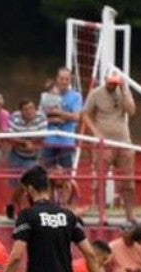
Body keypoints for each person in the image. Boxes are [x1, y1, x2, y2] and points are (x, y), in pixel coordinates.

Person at [83, 72, 138, 223]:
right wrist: (96, 133)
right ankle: (102, 214)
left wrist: (125, 89)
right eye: (111, 82)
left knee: (128, 181)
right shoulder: (95, 94)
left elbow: (131, 111)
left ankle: (130, 214)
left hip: (123, 141)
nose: (113, 85)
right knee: (101, 180)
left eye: (116, 83)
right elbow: (86, 114)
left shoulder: (123, 92)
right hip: (103, 143)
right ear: (106, 80)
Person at [40, 67, 83, 206]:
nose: (64, 81)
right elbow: (41, 116)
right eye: (62, 78)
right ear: (57, 79)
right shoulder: (47, 95)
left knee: (66, 176)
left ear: (70, 80)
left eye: (67, 79)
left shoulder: (76, 96)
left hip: (66, 140)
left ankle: (64, 205)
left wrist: (59, 114)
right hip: (49, 140)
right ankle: (51, 204)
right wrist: (61, 117)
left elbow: (76, 117)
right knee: (49, 175)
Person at [8, 98, 48, 214]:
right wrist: (24, 143)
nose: (29, 111)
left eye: (31, 108)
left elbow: (43, 136)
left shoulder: (41, 117)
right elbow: (10, 136)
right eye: (25, 109)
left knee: (30, 182)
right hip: (17, 154)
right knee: (17, 184)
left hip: (33, 155)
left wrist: (32, 144)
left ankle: (27, 207)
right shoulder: (15, 117)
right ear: (21, 112)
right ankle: (15, 205)